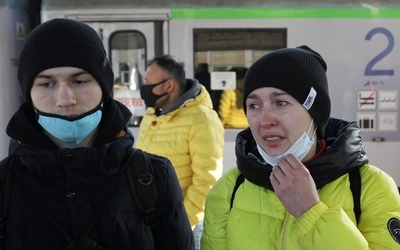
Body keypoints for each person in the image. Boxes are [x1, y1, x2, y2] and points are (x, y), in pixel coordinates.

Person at [0, 18, 194, 249]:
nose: (65, 100)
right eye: (46, 84)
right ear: (28, 93)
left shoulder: (153, 177)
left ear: (104, 87)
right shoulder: (5, 185)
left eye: (80, 81)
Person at [201, 46, 400, 249]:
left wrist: (310, 212)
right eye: (254, 105)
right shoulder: (228, 189)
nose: (265, 120)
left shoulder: (369, 187)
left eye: (281, 103)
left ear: (315, 112)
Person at [136, 55, 224, 248]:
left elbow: (207, 181)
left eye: (148, 83)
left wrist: (182, 222)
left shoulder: (202, 119)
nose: (144, 88)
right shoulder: (153, 113)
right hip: (150, 222)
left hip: (183, 226)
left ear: (168, 86)